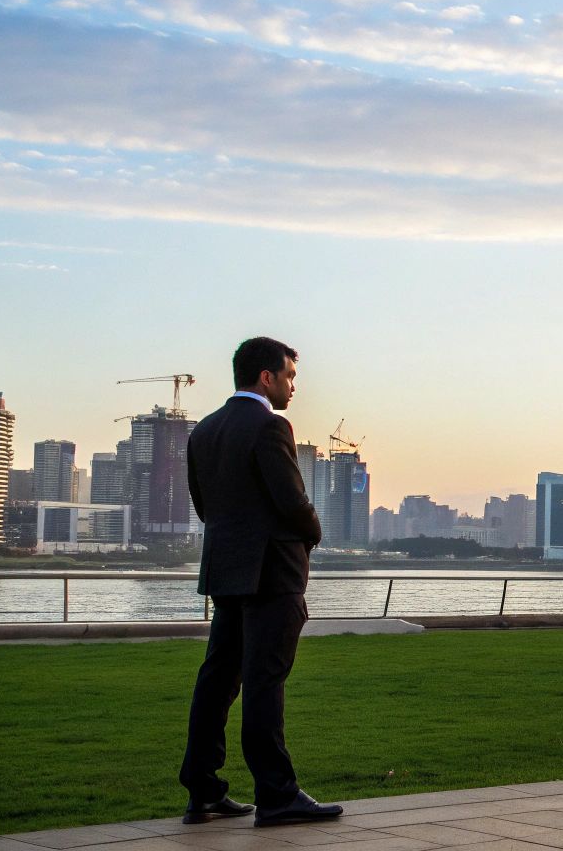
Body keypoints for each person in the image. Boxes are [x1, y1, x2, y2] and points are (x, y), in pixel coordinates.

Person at [178, 337, 342, 827]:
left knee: (217, 682)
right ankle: (277, 795)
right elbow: (292, 501)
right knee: (265, 684)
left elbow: (205, 506)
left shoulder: (204, 431)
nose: (294, 386)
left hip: (227, 573)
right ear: (266, 377)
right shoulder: (271, 426)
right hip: (273, 575)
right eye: (290, 376)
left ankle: (203, 791)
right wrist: (313, 534)